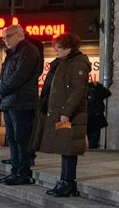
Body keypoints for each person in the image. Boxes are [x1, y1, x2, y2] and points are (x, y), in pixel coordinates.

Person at [36, 33, 91, 198]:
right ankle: (64, 180)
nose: (55, 50)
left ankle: (68, 182)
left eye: (59, 47)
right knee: (64, 146)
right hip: (62, 114)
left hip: (71, 115)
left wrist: (66, 113)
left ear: (69, 47)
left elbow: (78, 91)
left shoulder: (78, 64)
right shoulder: (65, 62)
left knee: (69, 147)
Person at [0, 24, 44, 185]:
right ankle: (16, 170)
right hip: (11, 101)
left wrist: (1, 90)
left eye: (8, 36)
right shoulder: (14, 53)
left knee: (22, 138)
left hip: (22, 102)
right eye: (3, 38)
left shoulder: (28, 51)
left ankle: (23, 171)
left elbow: (19, 76)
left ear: (20, 35)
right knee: (12, 137)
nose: (5, 40)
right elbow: (6, 75)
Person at [86, 78, 111, 150]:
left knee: (93, 137)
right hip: (91, 117)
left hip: (94, 117)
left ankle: (92, 149)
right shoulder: (88, 89)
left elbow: (107, 93)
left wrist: (98, 86)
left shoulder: (93, 88)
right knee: (93, 137)